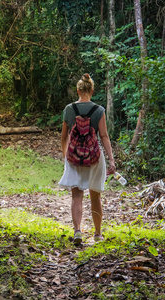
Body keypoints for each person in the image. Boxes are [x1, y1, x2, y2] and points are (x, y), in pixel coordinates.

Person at [59, 73, 116, 245]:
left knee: (76, 196)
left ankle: (77, 232)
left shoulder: (69, 109)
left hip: (74, 157)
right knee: (95, 196)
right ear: (92, 90)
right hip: (94, 157)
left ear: (78, 90)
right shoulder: (99, 110)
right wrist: (111, 160)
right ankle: (97, 234)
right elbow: (104, 136)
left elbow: (64, 137)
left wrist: (66, 155)